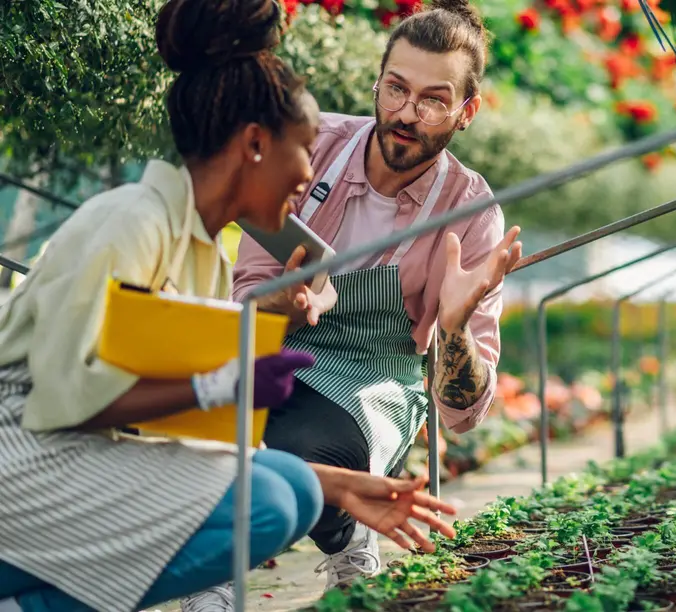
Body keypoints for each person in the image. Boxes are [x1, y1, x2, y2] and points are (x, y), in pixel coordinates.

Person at [0, 1, 456, 611]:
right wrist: (219, 384)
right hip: (20, 454)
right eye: (304, 150)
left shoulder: (204, 254)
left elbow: (192, 433)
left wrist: (345, 486)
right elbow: (61, 401)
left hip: (61, 454)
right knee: (267, 501)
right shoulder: (130, 222)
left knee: (291, 486)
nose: (309, 177)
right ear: (254, 145)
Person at [230, 0, 521, 592]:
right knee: (190, 415)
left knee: (303, 446)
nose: (406, 114)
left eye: (433, 101)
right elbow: (247, 295)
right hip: (278, 346)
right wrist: (284, 301)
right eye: (396, 89)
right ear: (378, 82)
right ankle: (227, 566)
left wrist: (455, 327)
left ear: (467, 112)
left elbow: (461, 415)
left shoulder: (472, 215)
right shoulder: (308, 148)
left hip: (377, 377)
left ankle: (339, 536)